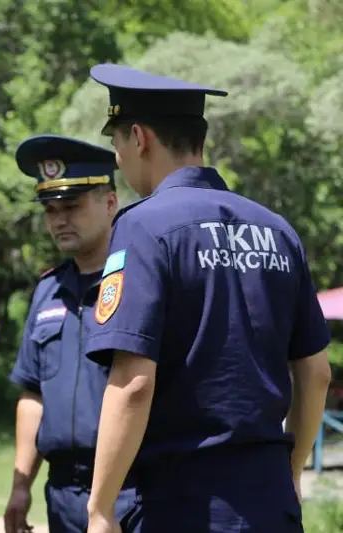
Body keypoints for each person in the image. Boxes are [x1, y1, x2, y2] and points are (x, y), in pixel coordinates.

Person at [80, 64, 333, 533]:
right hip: (270, 501)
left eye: (116, 142)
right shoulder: (278, 230)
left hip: (180, 503)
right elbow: (316, 373)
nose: (117, 158)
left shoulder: (142, 227)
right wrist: (291, 472)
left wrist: (100, 507)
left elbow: (134, 383)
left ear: (139, 137)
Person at [2, 134, 137, 533]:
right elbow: (33, 394)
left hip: (131, 489)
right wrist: (20, 485)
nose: (59, 219)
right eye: (50, 209)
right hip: (62, 492)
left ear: (110, 203)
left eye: (72, 206)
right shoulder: (48, 290)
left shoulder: (139, 283)